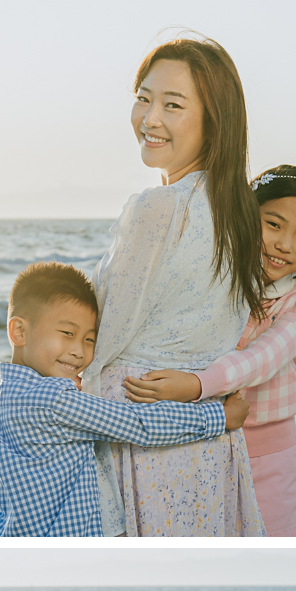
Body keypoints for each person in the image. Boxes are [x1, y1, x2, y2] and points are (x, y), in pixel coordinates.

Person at [82, 36, 267, 538]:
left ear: (214, 119)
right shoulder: (241, 214)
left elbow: (98, 343)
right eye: (143, 98)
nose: (150, 118)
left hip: (145, 439)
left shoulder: (158, 209)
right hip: (209, 443)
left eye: (173, 104)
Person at [124, 164, 296, 536]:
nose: (285, 244)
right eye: (273, 224)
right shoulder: (216, 277)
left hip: (272, 458)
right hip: (203, 445)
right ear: (245, 216)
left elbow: (264, 357)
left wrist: (196, 384)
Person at [0, 262, 249, 536]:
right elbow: (137, 423)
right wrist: (220, 417)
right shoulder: (53, 400)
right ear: (19, 332)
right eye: (67, 334)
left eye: (89, 339)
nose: (78, 351)